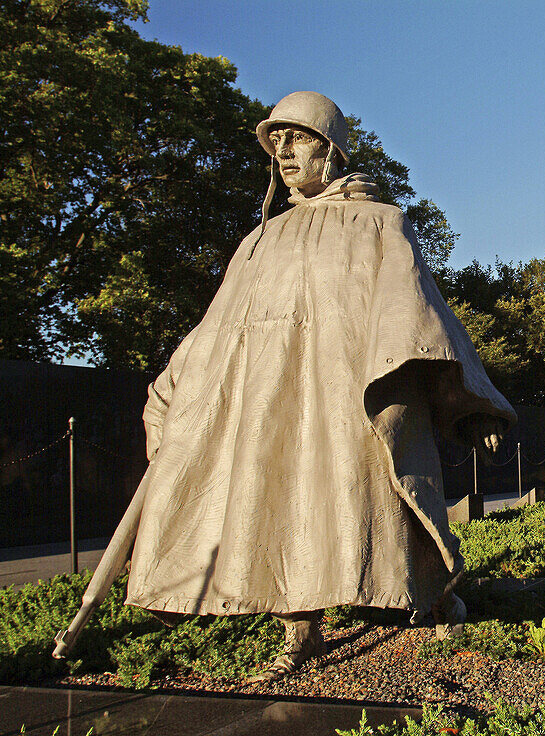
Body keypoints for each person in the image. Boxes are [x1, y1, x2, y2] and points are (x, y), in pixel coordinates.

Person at [65, 92, 515, 680]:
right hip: (275, 401)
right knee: (281, 509)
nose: (283, 152)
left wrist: (473, 402)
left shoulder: (379, 222)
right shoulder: (258, 241)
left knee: (380, 501)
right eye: (276, 143)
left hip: (350, 399)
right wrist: (174, 390)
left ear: (330, 149)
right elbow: (216, 330)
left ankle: (435, 597)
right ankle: (299, 631)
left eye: (297, 138)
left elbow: (420, 319)